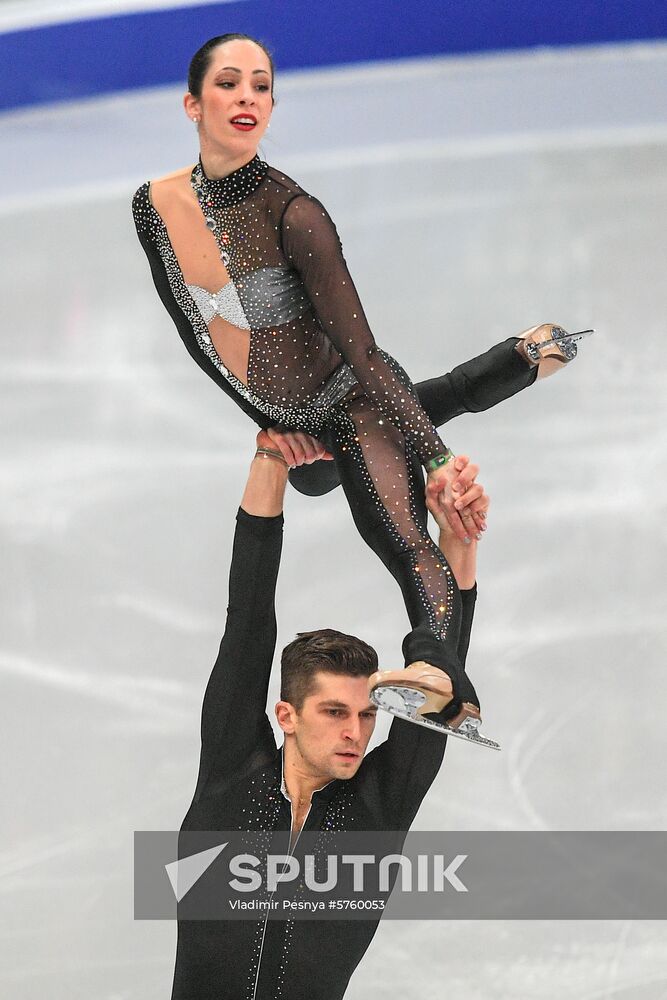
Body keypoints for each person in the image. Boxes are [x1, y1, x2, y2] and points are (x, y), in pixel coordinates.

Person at [132, 32, 590, 736]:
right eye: (230, 83)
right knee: (319, 478)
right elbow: (194, 331)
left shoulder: (295, 215)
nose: (247, 97)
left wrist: (435, 459)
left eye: (261, 85)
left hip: (354, 398)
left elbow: (365, 353)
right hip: (295, 427)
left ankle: (438, 673)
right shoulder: (152, 206)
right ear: (193, 103)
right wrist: (265, 422)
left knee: (399, 535)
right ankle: (502, 369)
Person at [171, 428, 488, 1000]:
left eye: (368, 715)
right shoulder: (231, 769)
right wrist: (271, 459)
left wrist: (456, 542)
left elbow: (446, 673)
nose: (356, 731)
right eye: (335, 711)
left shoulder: (377, 808)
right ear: (286, 715)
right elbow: (247, 616)